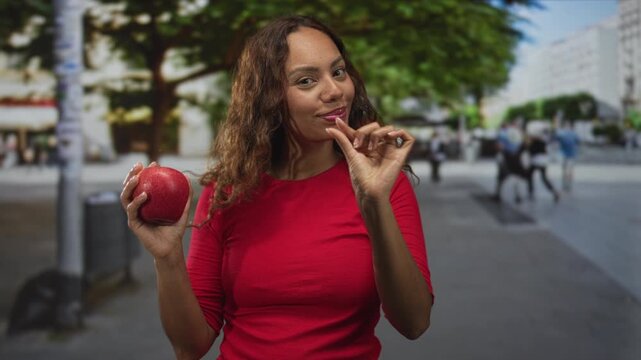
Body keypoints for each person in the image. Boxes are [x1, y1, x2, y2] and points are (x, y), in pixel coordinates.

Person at [121, 16, 433, 359]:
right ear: (269, 99)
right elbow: (190, 346)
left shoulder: (387, 185)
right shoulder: (228, 191)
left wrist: (373, 203)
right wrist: (167, 258)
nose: (334, 91)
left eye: (338, 72)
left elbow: (414, 322)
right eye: (306, 80)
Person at [493, 121, 529, 203]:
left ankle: (498, 194)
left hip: (506, 158)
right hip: (517, 159)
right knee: (515, 177)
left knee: (502, 177)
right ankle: (518, 195)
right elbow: (525, 145)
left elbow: (499, 146)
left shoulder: (503, 134)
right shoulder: (519, 134)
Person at [525, 129, 559, 202]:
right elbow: (545, 151)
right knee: (544, 178)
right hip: (543, 162)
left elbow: (531, 152)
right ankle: (554, 191)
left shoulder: (534, 143)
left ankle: (531, 192)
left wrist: (528, 146)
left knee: (529, 176)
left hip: (536, 161)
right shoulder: (542, 142)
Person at [555, 121, 580, 192]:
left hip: (568, 154)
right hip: (566, 154)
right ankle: (567, 184)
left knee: (567, 170)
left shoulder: (564, 133)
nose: (567, 127)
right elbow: (578, 142)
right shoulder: (572, 133)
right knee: (566, 170)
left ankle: (567, 184)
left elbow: (556, 138)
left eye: (567, 125)